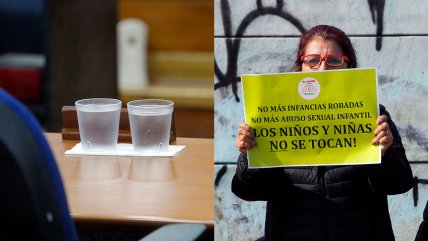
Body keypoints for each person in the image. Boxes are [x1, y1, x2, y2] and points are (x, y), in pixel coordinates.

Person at [232, 25, 414, 241]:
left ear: (349, 66)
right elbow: (249, 191)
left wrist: (385, 154)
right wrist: (248, 156)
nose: (323, 69)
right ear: (301, 66)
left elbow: (399, 184)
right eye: (312, 60)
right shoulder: (272, 115)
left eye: (334, 60)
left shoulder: (374, 115)